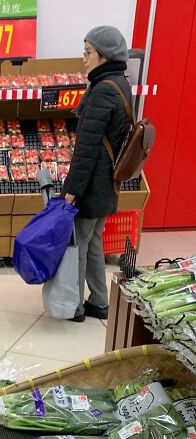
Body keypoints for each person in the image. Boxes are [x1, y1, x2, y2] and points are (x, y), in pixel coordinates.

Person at [62, 26, 133, 322]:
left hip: (92, 184)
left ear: (105, 55)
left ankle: (76, 305)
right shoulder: (119, 83)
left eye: (88, 52)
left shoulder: (103, 89)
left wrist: (72, 189)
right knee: (94, 242)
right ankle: (100, 302)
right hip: (109, 183)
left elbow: (88, 147)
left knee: (79, 244)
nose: (84, 58)